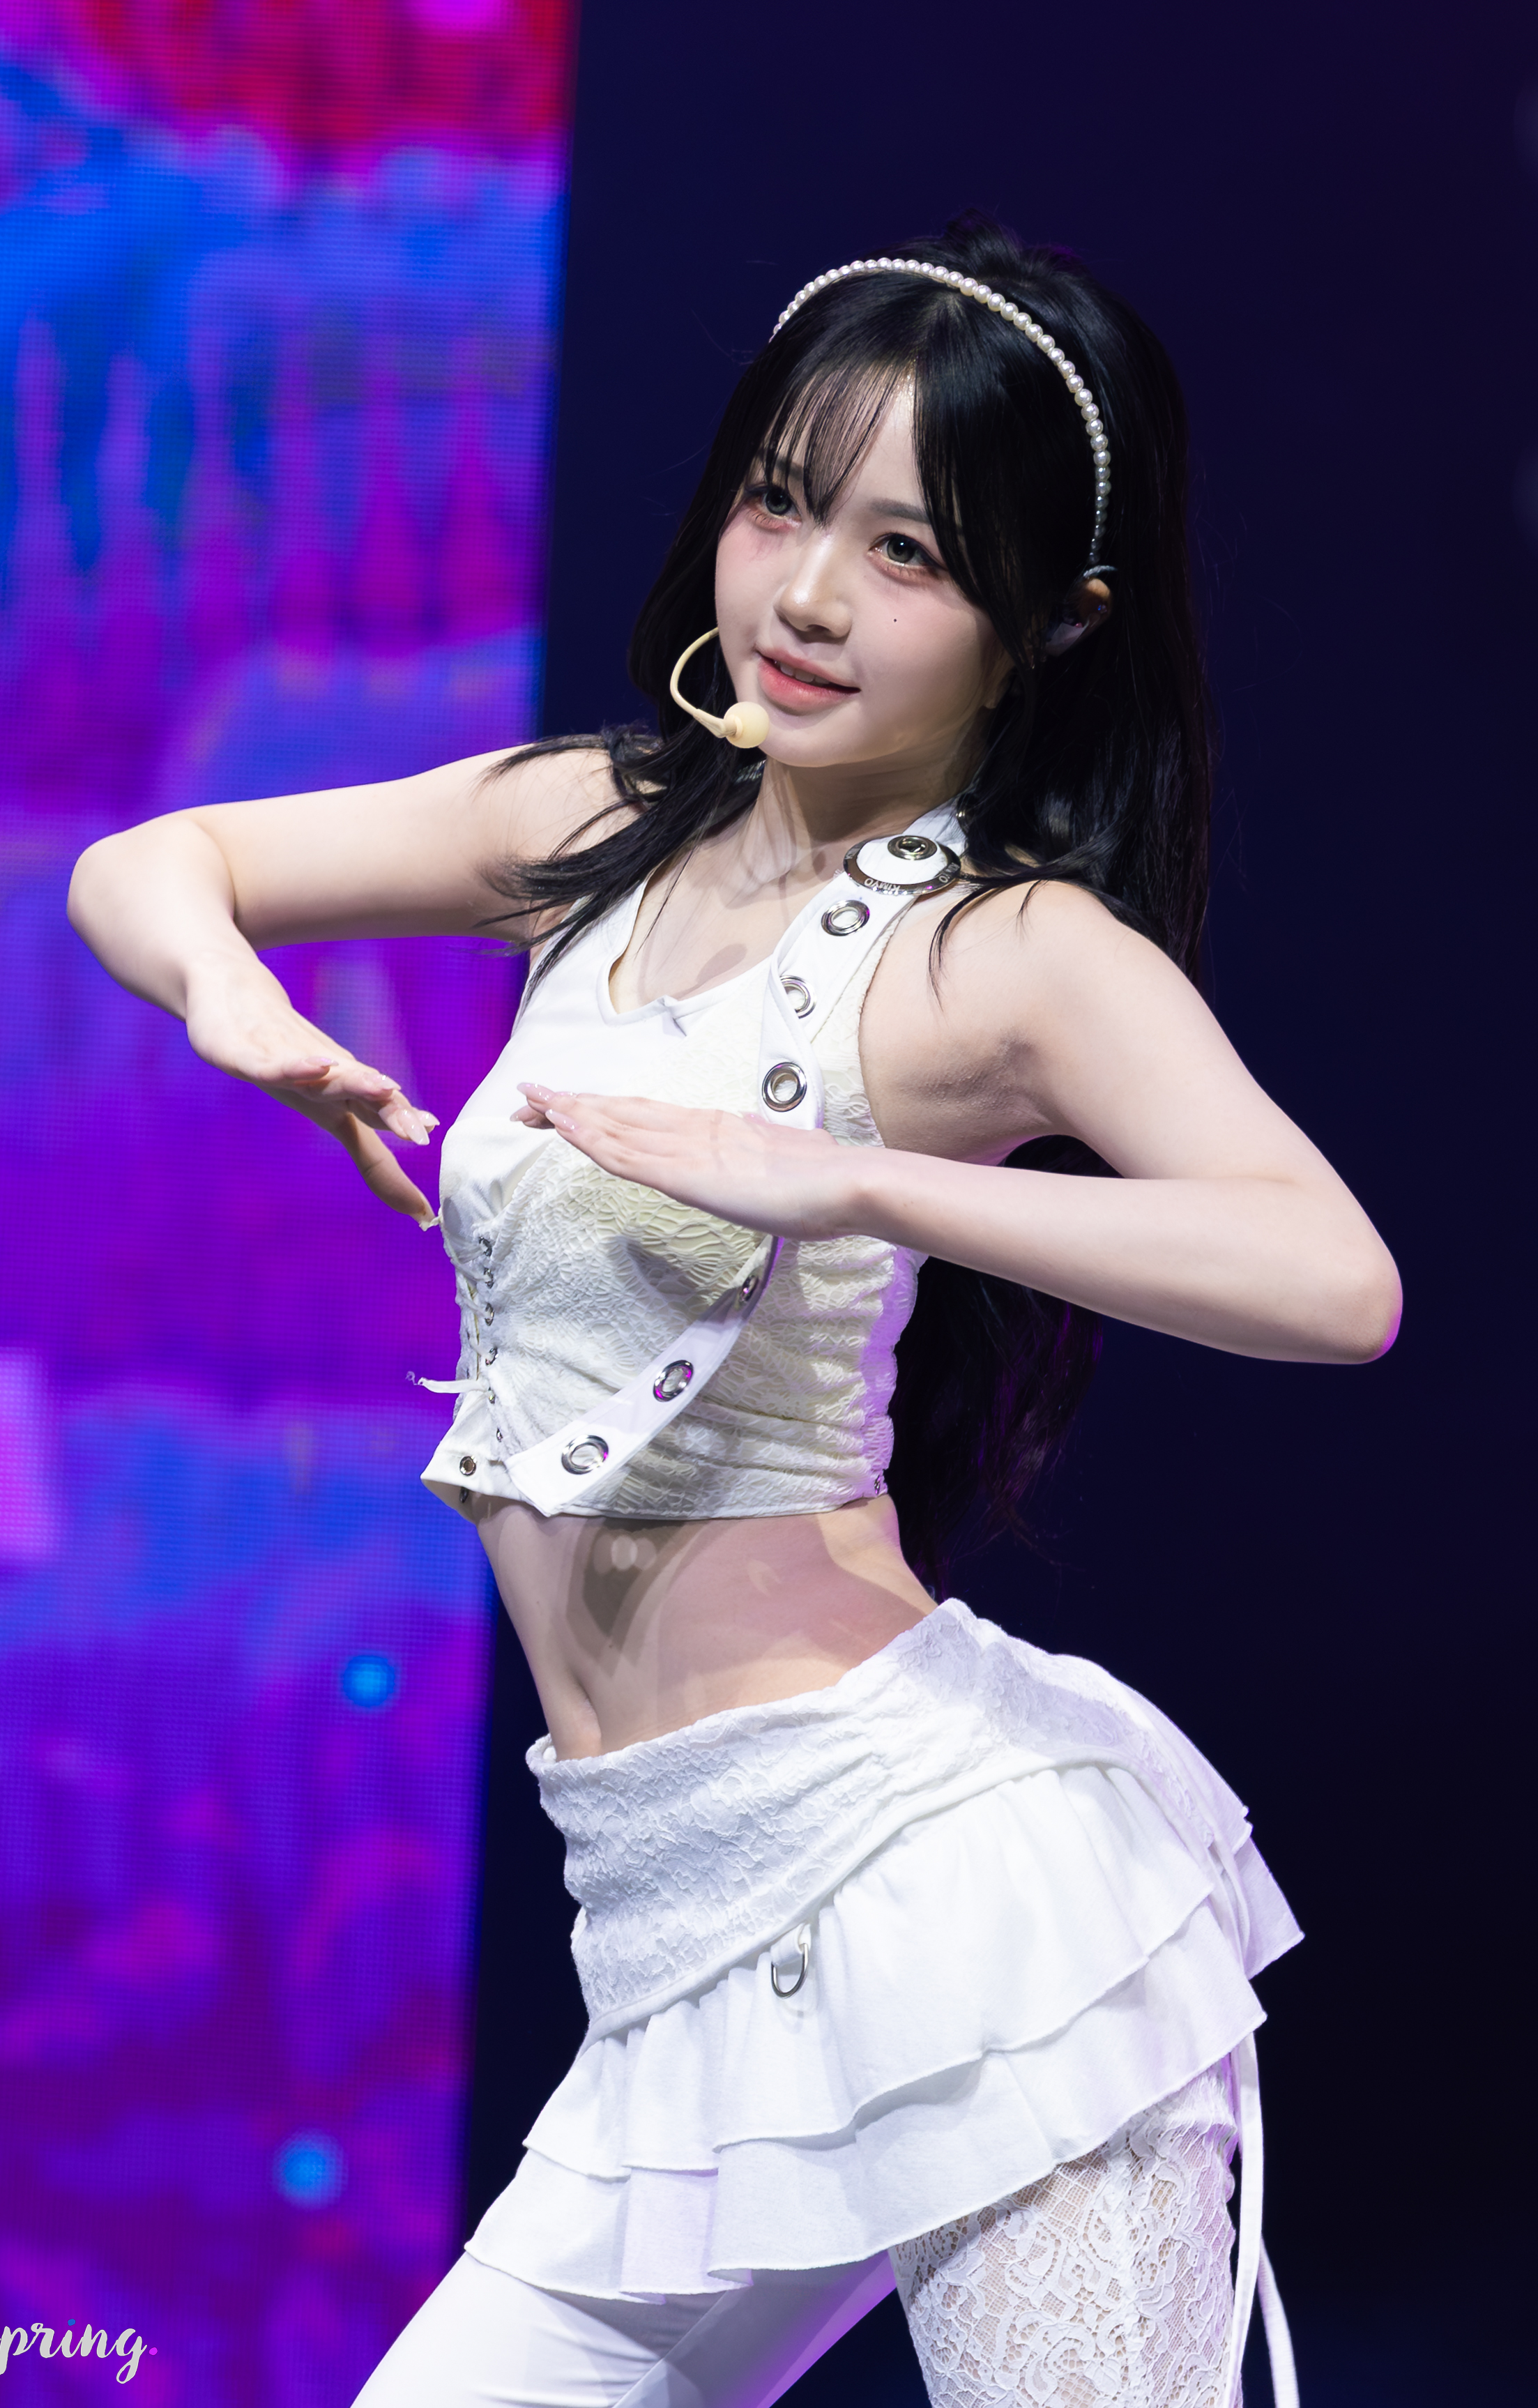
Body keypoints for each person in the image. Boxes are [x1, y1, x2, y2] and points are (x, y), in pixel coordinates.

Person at [68, 211, 1399, 2408]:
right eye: (783, 503)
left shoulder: (1008, 952)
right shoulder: (603, 823)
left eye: (909, 551)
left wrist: (866, 1178)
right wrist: (230, 998)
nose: (806, 594)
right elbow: (154, 862)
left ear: (1049, 623)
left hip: (963, 1913)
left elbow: (1332, 1279)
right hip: (673, 1956)